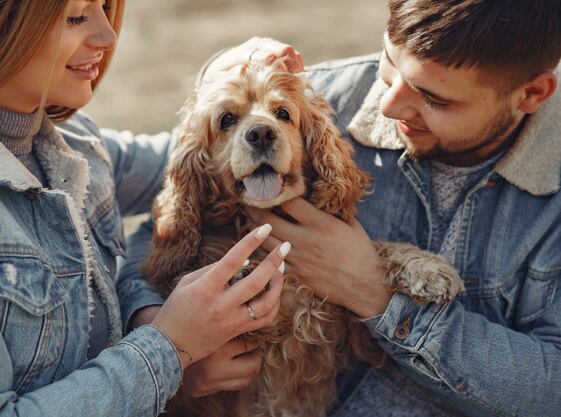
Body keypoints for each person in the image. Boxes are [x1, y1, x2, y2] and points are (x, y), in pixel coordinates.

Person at [122, 1, 561, 416]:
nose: (388, 105)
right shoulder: (323, 97)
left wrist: (374, 291)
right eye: (389, 66)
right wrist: (167, 345)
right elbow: (160, 237)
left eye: (435, 100)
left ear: (532, 93)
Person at [0, 2, 302, 416]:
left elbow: (199, 155)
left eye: (106, 8)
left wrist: (222, 73)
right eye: (76, 17)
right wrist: (171, 350)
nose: (108, 37)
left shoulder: (78, 141)